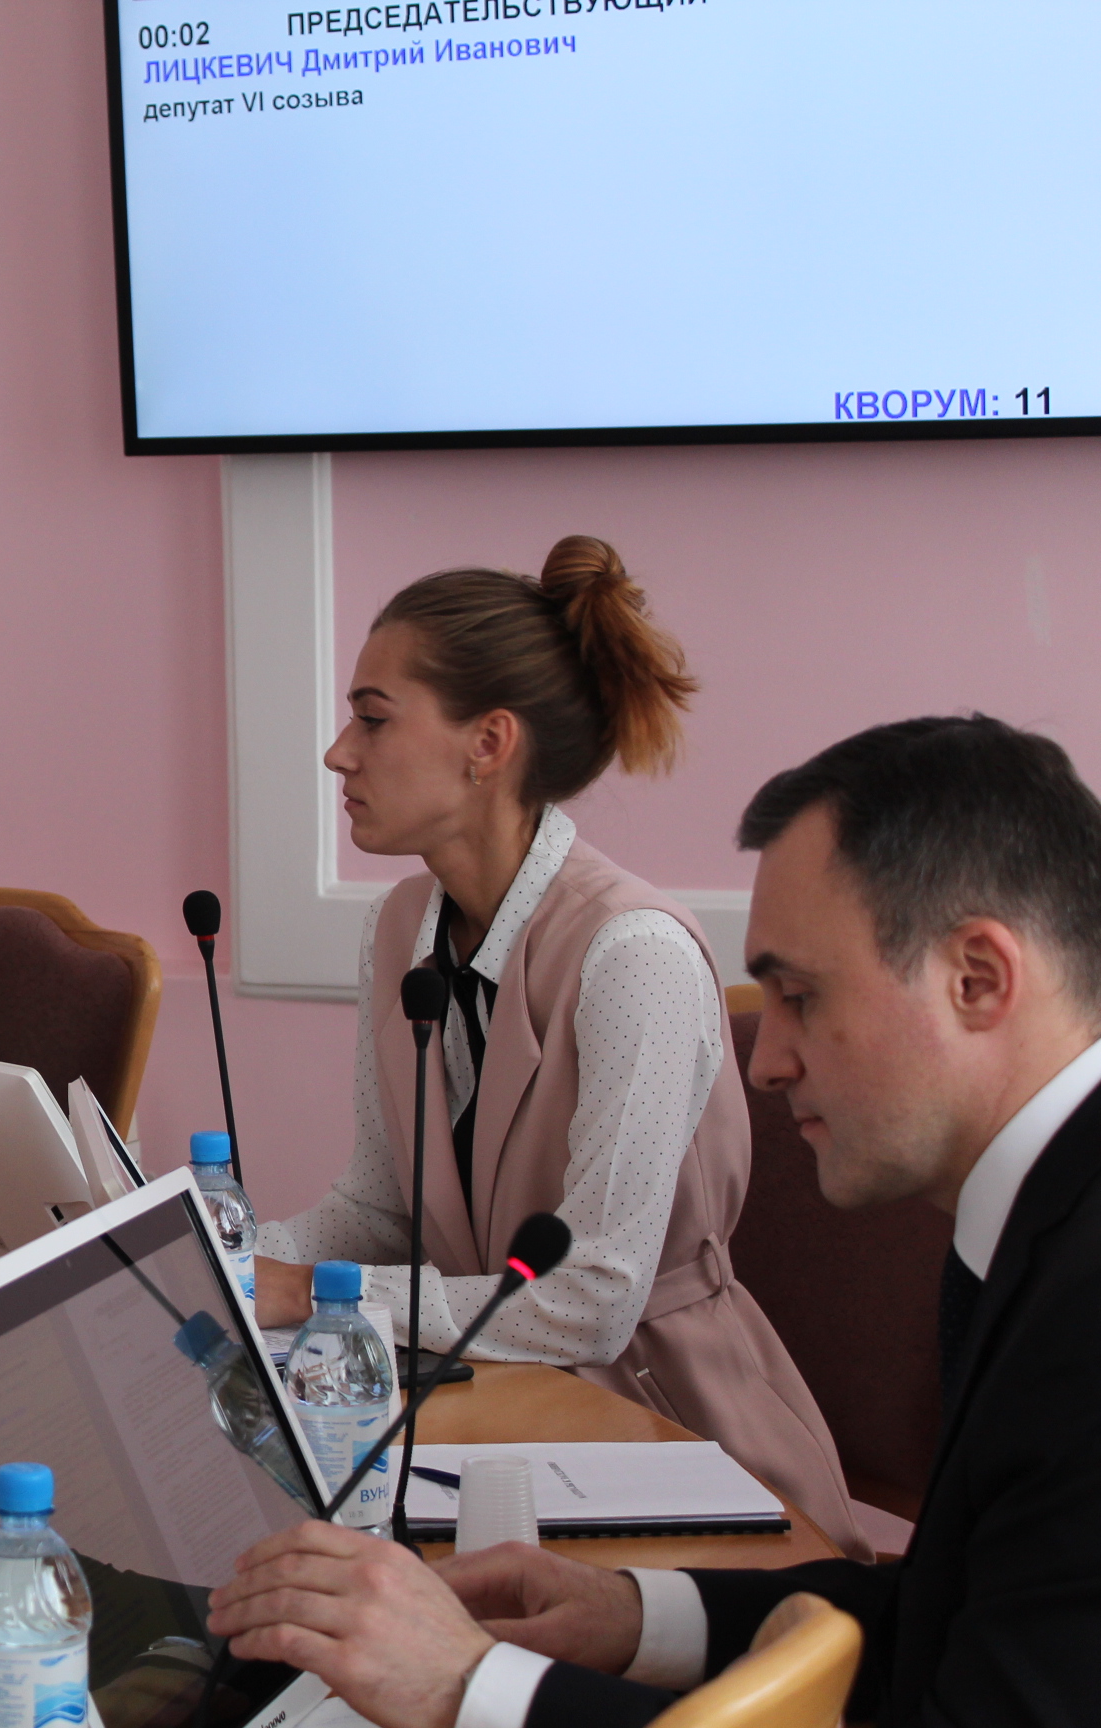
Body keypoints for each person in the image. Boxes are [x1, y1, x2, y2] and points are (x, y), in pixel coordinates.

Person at [207, 715, 1101, 1728]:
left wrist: (469, 1686)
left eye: (800, 996)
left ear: (978, 978)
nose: (767, 1063)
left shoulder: (1085, 1314)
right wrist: (637, 1616)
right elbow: (955, 1617)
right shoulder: (1041, 1217)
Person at [251, 536, 863, 1555]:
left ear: (489, 743)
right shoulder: (398, 927)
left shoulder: (634, 952)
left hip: (666, 1431)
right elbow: (379, 1209)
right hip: (486, 1417)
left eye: (373, 718)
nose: (338, 753)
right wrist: (225, 1263)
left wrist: (309, 1293)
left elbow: (590, 1303)